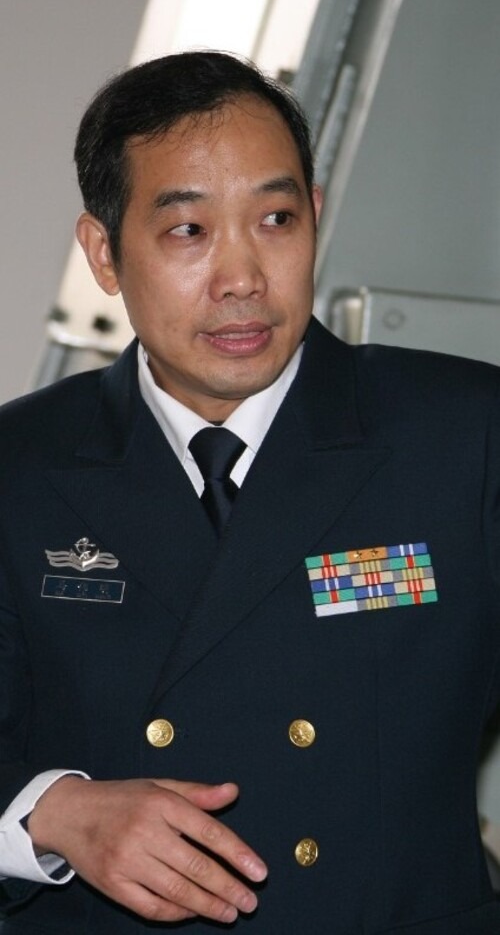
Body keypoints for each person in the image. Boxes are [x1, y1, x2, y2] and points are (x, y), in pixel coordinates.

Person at [0, 50, 500, 935]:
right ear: (104, 253)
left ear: (315, 217)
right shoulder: (20, 465)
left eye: (275, 219)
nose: (242, 278)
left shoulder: (464, 435)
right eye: (188, 231)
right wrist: (49, 813)